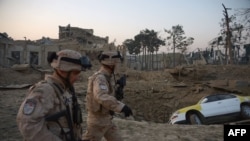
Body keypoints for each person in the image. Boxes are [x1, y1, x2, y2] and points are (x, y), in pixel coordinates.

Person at [16, 49, 91, 141]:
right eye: (75, 73)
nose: (78, 78)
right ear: (62, 71)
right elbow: (27, 125)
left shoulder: (64, 89)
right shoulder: (45, 90)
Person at [82, 50, 133, 141]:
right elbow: (101, 96)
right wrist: (121, 107)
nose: (118, 66)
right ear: (111, 64)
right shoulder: (100, 78)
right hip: (97, 121)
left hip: (107, 119)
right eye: (117, 63)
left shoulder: (108, 77)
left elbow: (109, 94)